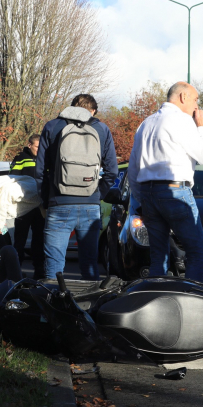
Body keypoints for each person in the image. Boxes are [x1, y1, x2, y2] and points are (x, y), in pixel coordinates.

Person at [127, 82, 203, 282]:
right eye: (195, 99)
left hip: (148, 193)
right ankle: (191, 297)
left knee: (158, 257)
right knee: (197, 254)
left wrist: (141, 200)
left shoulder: (146, 123)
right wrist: (202, 128)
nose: (196, 106)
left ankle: (156, 297)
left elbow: (133, 168)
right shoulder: (182, 120)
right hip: (175, 191)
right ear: (183, 97)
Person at [36, 94, 118, 280]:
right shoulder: (102, 129)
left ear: (72, 107)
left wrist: (45, 199)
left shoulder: (52, 126)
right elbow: (112, 170)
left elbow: (40, 170)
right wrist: (98, 194)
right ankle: (91, 298)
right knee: (90, 263)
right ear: (93, 111)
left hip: (59, 203)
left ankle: (53, 297)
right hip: (90, 204)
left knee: (54, 263)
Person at [10, 134, 46, 279]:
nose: (39, 149)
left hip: (39, 205)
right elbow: (13, 178)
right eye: (37, 147)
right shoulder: (20, 158)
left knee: (39, 239)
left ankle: (39, 271)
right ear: (29, 145)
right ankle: (16, 271)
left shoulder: (45, 157)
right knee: (20, 240)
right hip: (23, 205)